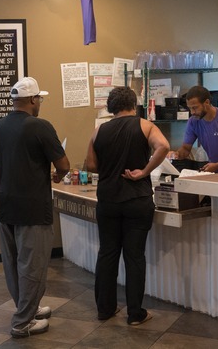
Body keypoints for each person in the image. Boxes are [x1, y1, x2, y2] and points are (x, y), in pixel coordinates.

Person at [0, 77, 70, 338]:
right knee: (32, 265)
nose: (40, 103)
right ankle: (22, 323)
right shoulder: (40, 126)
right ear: (34, 100)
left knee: (12, 263)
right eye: (40, 99)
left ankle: (28, 308)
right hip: (33, 207)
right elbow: (64, 165)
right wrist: (56, 175)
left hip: (3, 204)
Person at [85, 86, 170, 326]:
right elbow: (163, 146)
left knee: (107, 253)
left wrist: (110, 169)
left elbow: (90, 165)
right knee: (134, 257)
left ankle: (105, 309)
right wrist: (143, 171)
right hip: (137, 200)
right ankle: (135, 314)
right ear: (134, 105)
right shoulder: (145, 126)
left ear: (111, 108)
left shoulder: (98, 130)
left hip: (108, 200)